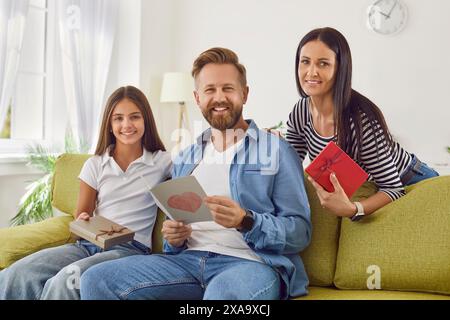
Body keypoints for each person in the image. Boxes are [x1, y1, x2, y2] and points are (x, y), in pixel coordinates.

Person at [79, 47, 312, 300]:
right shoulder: (187, 157)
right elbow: (173, 233)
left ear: (244, 94)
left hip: (248, 263)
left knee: (221, 297)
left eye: (228, 88)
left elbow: (300, 232)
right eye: (210, 90)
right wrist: (174, 237)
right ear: (197, 98)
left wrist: (246, 220)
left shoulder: (275, 150)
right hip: (186, 262)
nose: (219, 97)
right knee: (96, 279)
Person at [0, 86, 171, 300]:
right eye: (118, 118)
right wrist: (83, 220)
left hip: (129, 250)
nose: (126, 125)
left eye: (134, 117)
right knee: (19, 272)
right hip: (88, 245)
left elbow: (190, 173)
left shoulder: (161, 161)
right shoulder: (96, 164)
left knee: (65, 281)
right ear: (109, 124)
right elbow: (82, 214)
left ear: (146, 120)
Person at [285, 27, 439, 221]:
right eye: (305, 61)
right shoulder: (301, 113)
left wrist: (351, 209)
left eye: (323, 63)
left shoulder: (360, 121)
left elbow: (393, 189)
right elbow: (289, 166)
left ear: (340, 69)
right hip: (372, 189)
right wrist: (272, 147)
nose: (311, 72)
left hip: (413, 181)